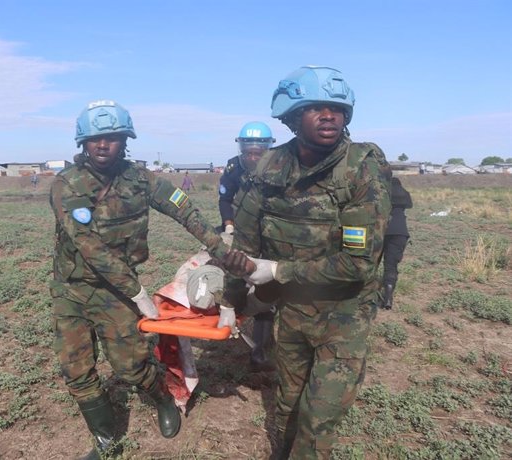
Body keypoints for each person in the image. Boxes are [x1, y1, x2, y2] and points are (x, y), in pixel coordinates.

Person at [221, 66, 392, 459]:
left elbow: (358, 264)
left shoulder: (360, 167)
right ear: (293, 117)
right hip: (294, 309)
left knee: (319, 415)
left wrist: (279, 271)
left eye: (335, 108)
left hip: (344, 313)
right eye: (315, 108)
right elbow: (244, 245)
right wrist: (233, 302)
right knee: (287, 400)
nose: (328, 115)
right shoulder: (270, 167)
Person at [49, 100, 230, 459]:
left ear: (125, 140)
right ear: (83, 142)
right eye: (96, 138)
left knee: (131, 366)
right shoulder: (66, 185)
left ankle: (162, 398)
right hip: (71, 288)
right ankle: (105, 440)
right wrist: (138, 291)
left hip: (116, 292)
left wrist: (219, 247)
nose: (103, 145)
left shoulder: (141, 180)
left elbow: (183, 208)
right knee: (75, 369)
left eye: (113, 138)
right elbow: (88, 245)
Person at [219, 121, 277, 371]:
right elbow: (224, 199)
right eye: (248, 151)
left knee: (266, 288)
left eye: (258, 152)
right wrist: (228, 225)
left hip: (270, 231)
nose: (252, 156)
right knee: (236, 276)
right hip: (240, 229)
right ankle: (231, 314)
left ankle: (262, 349)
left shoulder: (280, 166)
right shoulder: (233, 167)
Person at [382, 176, 412, 309]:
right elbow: (409, 205)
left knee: (370, 263)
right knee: (391, 265)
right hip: (400, 232)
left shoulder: (384, 193)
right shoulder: (405, 194)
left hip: (382, 230)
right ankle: (388, 298)